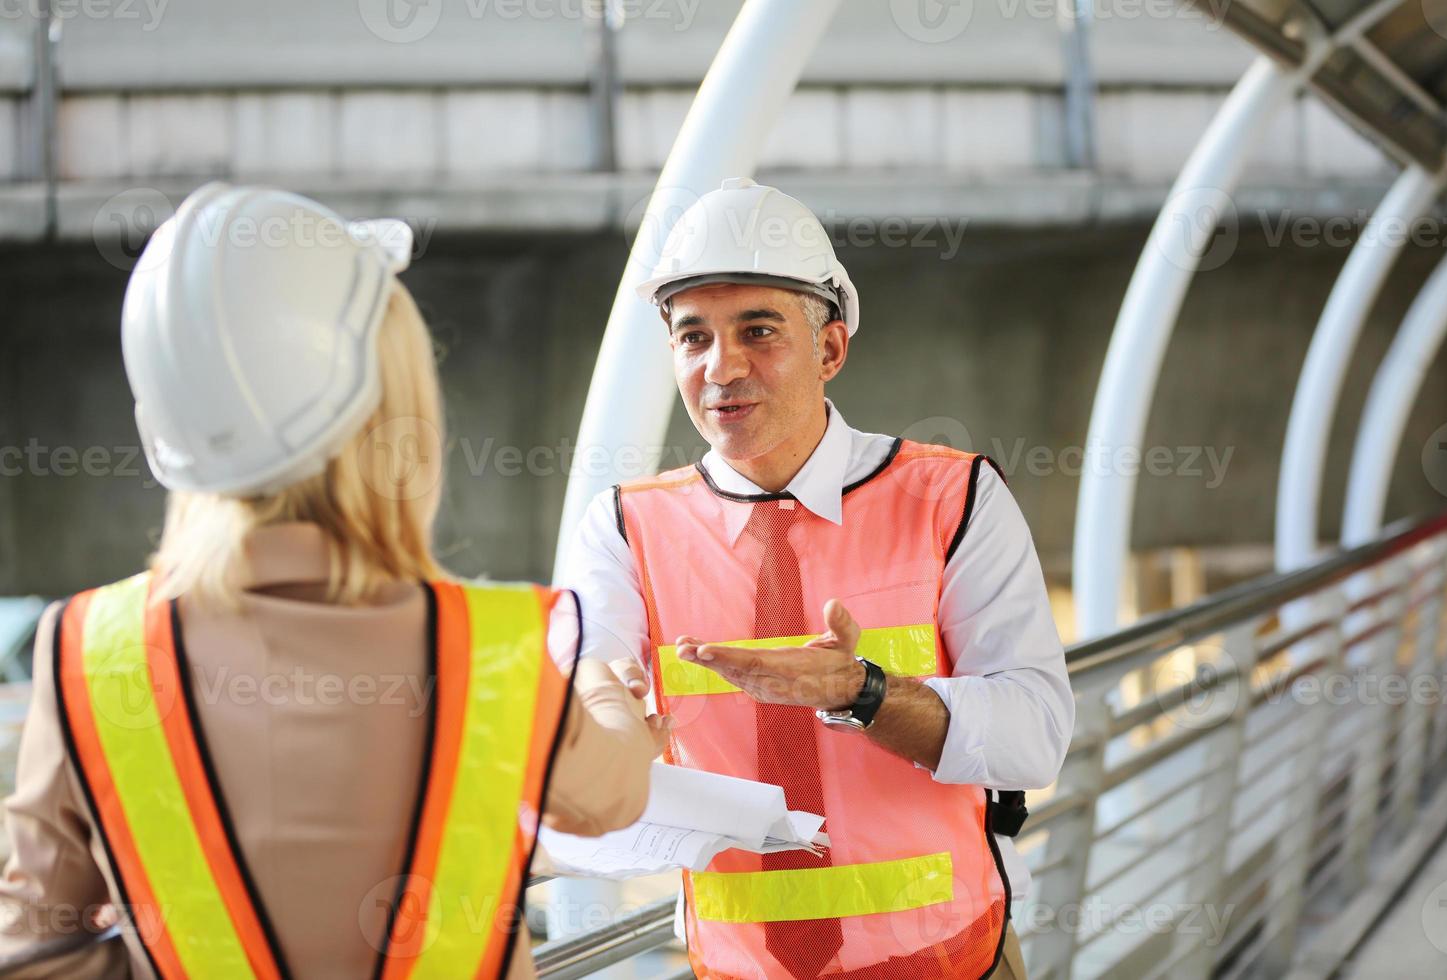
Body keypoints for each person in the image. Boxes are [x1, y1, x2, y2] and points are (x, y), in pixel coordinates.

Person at [0, 183, 666, 979]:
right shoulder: (494, 651)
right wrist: (595, 685)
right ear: (391, 416)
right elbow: (612, 797)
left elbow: (31, 954)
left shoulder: (88, 655)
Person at [561, 178, 1075, 979]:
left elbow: (1035, 735)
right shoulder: (625, 528)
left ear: (830, 348)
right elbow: (589, 680)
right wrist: (605, 726)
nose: (721, 367)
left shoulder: (953, 498)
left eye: (758, 330)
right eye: (692, 337)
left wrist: (862, 692)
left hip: (951, 963)